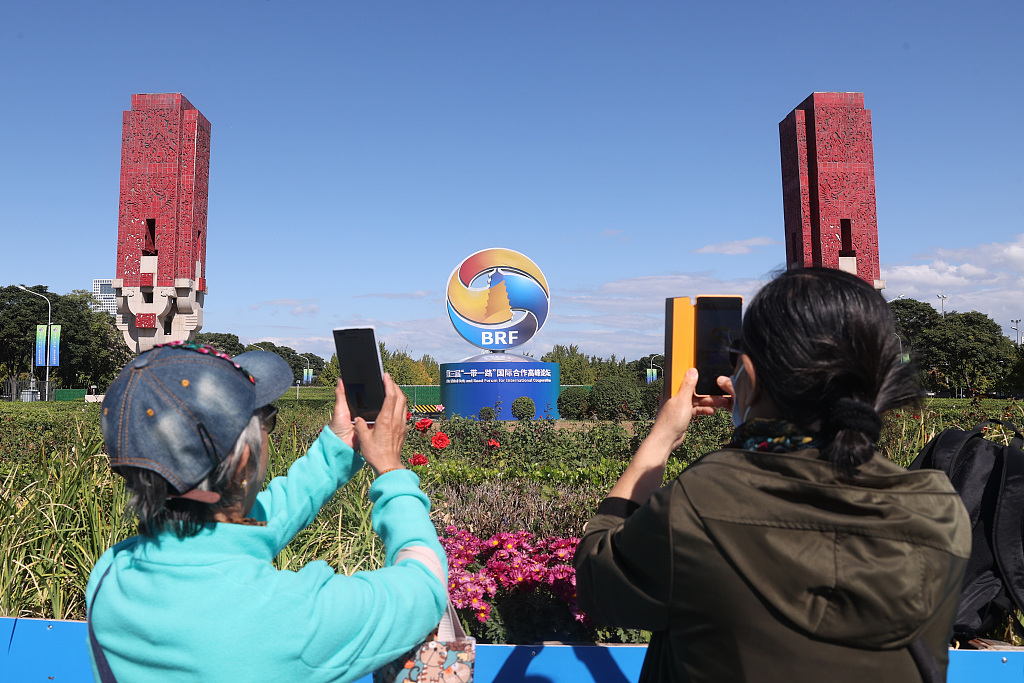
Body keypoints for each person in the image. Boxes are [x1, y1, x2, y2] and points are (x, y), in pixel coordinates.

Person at [574, 268, 971, 683]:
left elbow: (596, 576)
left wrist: (661, 438)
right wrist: (759, 424)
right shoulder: (939, 511)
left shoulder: (700, 503)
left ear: (751, 373)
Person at [86, 341, 447, 682]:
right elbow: (425, 584)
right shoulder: (290, 616)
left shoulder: (111, 576)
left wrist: (338, 447)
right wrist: (391, 470)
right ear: (245, 458)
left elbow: (243, 529)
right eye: (266, 420)